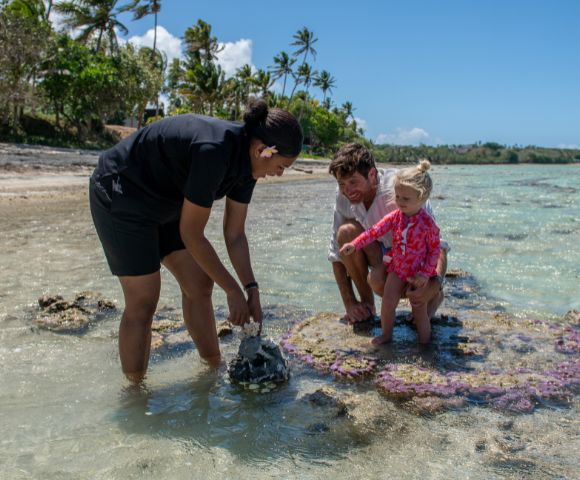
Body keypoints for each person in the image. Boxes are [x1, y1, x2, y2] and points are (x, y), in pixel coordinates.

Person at [89, 99, 303, 382]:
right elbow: (192, 234)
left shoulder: (250, 168)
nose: (279, 173)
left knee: (200, 283)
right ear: (261, 150)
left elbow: (235, 235)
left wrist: (251, 289)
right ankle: (135, 397)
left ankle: (212, 371)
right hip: (122, 191)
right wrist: (232, 291)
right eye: (282, 166)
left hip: (165, 200)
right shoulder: (213, 151)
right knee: (144, 299)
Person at [327, 143, 448, 325]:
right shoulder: (343, 196)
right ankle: (366, 306)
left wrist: (434, 284)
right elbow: (336, 254)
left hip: (416, 259)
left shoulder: (402, 190)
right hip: (386, 256)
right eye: (342, 184)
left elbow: (437, 246)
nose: (347, 190)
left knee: (420, 318)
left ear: (372, 175)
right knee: (346, 233)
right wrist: (349, 303)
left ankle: (433, 297)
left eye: (353, 182)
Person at [340, 159, 440, 344]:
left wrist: (426, 275)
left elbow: (435, 252)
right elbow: (374, 231)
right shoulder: (395, 217)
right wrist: (355, 244)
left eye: (406, 199)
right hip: (398, 269)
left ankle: (425, 344)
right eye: (398, 196)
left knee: (419, 309)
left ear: (423, 197)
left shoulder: (428, 224)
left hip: (418, 273)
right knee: (388, 302)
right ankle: (387, 334)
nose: (399, 202)